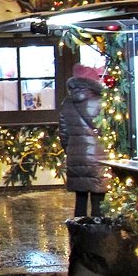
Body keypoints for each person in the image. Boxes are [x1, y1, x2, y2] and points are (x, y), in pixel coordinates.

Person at [59, 66, 109, 217]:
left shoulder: (67, 102)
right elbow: (106, 130)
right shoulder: (102, 101)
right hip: (98, 157)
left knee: (80, 200)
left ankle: (79, 236)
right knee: (98, 199)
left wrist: (70, 150)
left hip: (75, 156)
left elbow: (63, 133)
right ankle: (97, 235)